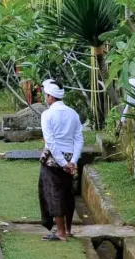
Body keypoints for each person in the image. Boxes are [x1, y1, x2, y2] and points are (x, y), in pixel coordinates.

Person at [39, 79, 84, 242]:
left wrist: (63, 163)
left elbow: (50, 142)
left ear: (50, 97)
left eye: (46, 95)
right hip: (70, 157)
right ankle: (68, 229)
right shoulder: (73, 113)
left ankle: (60, 232)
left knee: (54, 194)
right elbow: (79, 138)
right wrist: (73, 160)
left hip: (54, 159)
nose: (45, 98)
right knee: (68, 193)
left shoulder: (47, 114)